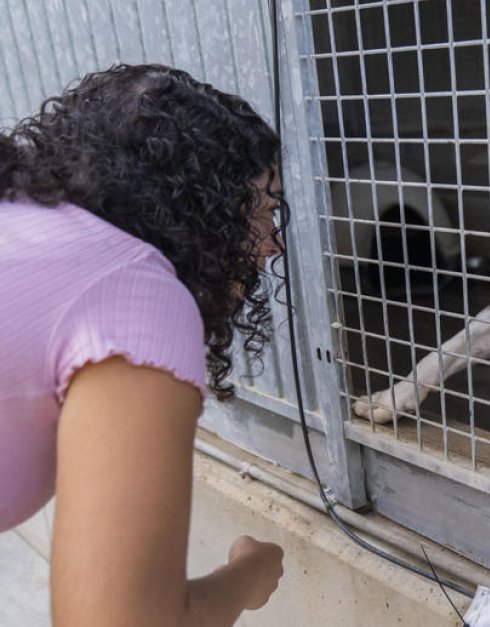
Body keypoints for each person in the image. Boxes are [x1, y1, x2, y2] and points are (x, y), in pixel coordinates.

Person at [1, 64, 287, 626]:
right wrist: (249, 576)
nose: (273, 243)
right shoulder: (130, 290)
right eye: (265, 210)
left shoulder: (25, 221)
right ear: (208, 208)